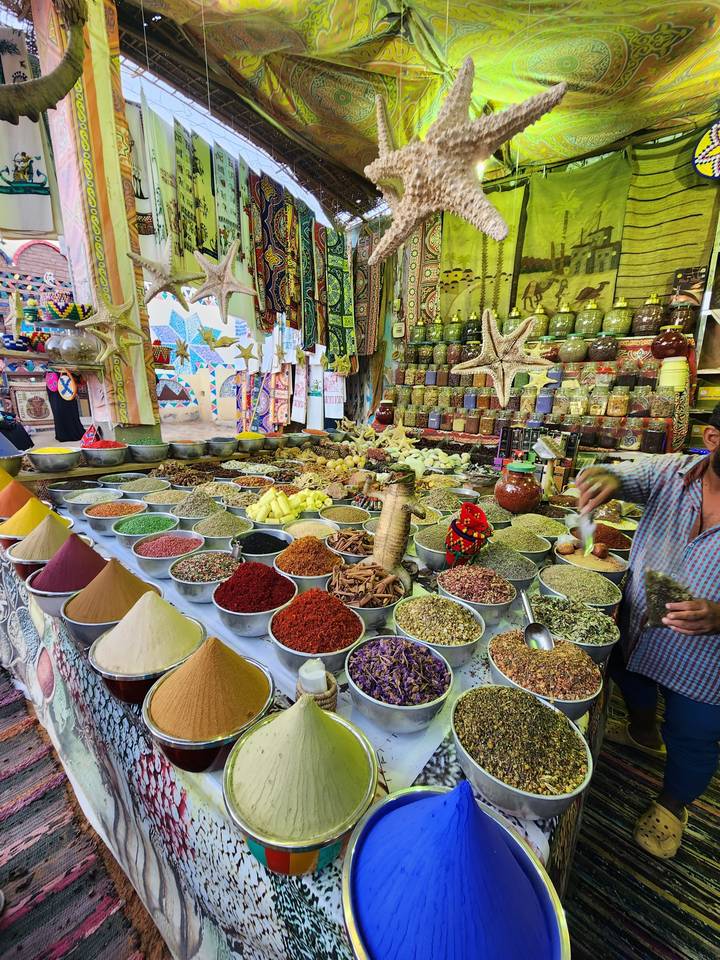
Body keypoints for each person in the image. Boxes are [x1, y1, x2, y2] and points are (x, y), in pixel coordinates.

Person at [576, 404, 720, 859]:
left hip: (706, 655)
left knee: (694, 733)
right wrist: (606, 478)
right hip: (642, 624)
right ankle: (641, 731)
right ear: (713, 438)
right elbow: (613, 471)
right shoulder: (671, 474)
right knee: (629, 677)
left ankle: (672, 806)